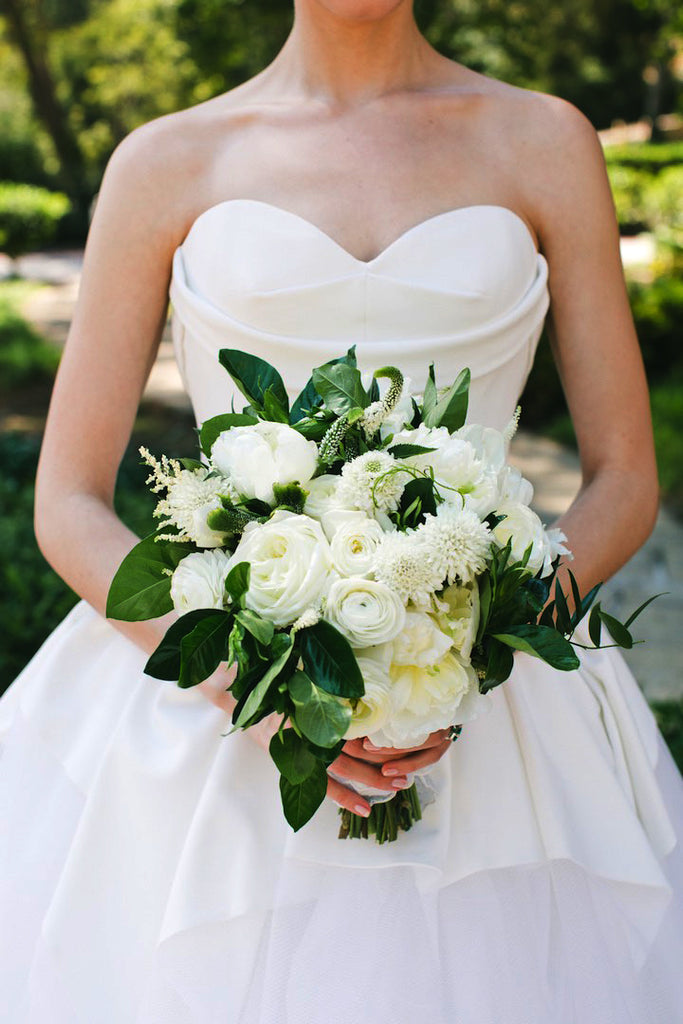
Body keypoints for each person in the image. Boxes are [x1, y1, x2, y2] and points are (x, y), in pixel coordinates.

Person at [1, 0, 682, 1020]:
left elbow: (624, 475)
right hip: (215, 718)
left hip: (502, 722)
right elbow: (66, 501)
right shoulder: (163, 161)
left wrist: (470, 641)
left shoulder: (546, 140)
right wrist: (250, 684)